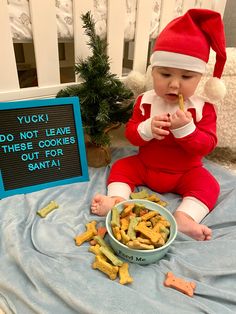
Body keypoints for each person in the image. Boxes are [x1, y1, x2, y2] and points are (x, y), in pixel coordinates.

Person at [91, 9, 227, 241]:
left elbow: (206, 146)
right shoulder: (145, 101)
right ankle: (117, 201)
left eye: (186, 77)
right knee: (121, 167)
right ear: (153, 73)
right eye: (165, 74)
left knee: (210, 186)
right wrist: (146, 129)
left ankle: (185, 217)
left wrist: (187, 130)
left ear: (200, 79)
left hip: (186, 171)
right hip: (146, 164)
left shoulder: (202, 108)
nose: (174, 84)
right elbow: (132, 135)